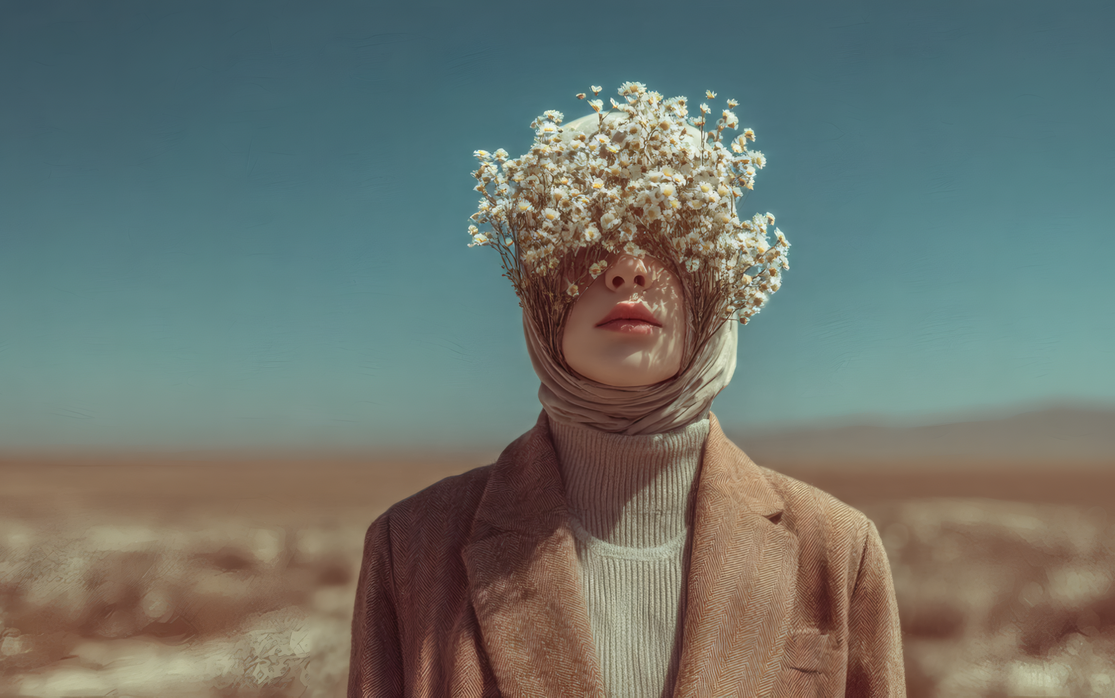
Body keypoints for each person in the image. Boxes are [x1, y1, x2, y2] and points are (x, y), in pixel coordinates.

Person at [349, 84, 906, 697]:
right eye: (588, 236)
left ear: (721, 283)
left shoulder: (838, 551)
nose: (628, 269)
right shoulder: (412, 548)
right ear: (536, 285)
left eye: (673, 235)